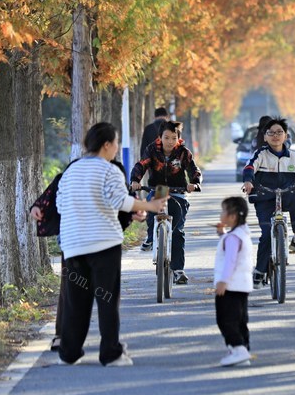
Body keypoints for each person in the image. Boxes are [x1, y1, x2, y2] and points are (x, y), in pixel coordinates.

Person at [55, 122, 168, 366]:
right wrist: (149, 206)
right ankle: (111, 353)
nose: (117, 148)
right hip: (103, 244)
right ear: (106, 145)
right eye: (116, 143)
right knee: (106, 299)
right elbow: (120, 200)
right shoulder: (108, 170)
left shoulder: (70, 170)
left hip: (73, 245)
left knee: (76, 302)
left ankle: (69, 353)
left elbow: (60, 205)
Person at [30, 157, 133, 353]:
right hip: (74, 240)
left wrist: (136, 212)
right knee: (70, 290)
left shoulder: (114, 170)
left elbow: (126, 199)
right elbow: (52, 192)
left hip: (101, 242)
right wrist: (38, 206)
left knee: (105, 294)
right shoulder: (74, 169)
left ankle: (108, 344)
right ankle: (63, 337)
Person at [130, 120, 202, 284]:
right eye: (166, 137)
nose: (170, 141)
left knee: (178, 231)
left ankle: (178, 270)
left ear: (178, 138)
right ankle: (150, 237)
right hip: (159, 189)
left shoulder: (183, 152)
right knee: (151, 211)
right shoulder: (152, 150)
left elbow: (194, 170)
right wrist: (135, 180)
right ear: (160, 137)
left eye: (173, 138)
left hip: (178, 191)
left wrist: (195, 183)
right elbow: (141, 166)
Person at [242, 117, 295, 288]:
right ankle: (260, 271)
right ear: (265, 137)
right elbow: (249, 168)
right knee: (266, 234)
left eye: (279, 132)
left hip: (286, 195)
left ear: (286, 136)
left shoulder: (294, 157)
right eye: (271, 133)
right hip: (265, 198)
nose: (275, 136)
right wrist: (249, 182)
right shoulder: (261, 154)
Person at [214, 196, 254, 367]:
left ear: (232, 217)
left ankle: (238, 348)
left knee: (226, 319)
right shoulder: (241, 233)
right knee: (240, 319)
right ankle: (242, 348)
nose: (220, 214)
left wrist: (223, 281)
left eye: (223, 211)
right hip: (242, 286)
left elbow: (230, 260)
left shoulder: (232, 238)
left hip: (230, 286)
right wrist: (222, 234)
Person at [139, 106, 170, 251]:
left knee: (153, 202)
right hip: (173, 175)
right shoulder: (173, 128)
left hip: (154, 175)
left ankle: (151, 237)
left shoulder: (149, 129)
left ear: (155, 116)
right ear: (166, 116)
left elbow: (142, 153)